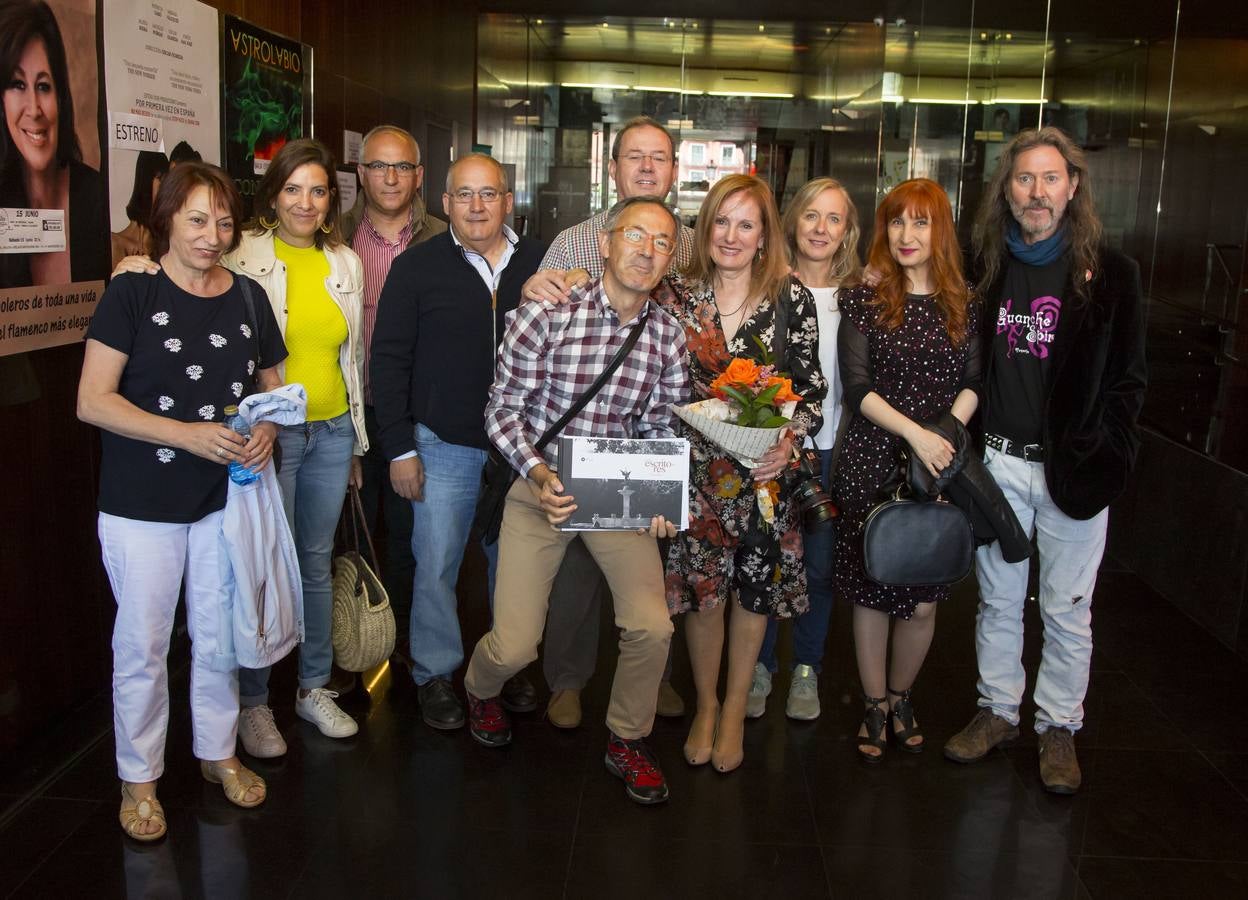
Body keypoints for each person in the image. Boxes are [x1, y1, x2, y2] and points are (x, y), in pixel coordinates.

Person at [77, 162, 286, 840]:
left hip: (224, 500)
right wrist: (186, 435)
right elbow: (92, 401)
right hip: (141, 503)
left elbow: (273, 389)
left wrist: (264, 430)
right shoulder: (132, 294)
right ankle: (139, 780)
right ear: (166, 218)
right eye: (197, 219)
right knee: (142, 644)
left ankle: (216, 754)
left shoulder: (250, 297)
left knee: (217, 635)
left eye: (224, 221)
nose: (211, 235)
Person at [463, 196, 688, 805]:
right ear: (607, 243)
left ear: (670, 259)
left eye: (661, 241)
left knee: (650, 624)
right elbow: (502, 412)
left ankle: (627, 738)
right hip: (541, 485)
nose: (646, 250)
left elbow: (661, 431)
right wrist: (537, 474)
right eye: (635, 235)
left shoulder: (667, 334)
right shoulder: (548, 312)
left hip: (615, 490)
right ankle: (480, 688)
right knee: (513, 645)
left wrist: (661, 494)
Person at [943, 127, 1147, 794]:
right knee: (998, 602)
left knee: (1065, 607)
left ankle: (1058, 726)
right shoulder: (988, 264)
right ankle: (997, 710)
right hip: (998, 465)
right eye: (1024, 179)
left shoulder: (1113, 275)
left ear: (1073, 187)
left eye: (1050, 178)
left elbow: (1128, 382)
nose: (1036, 192)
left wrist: (1108, 455)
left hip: (1072, 471)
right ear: (1009, 189)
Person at [521, 116, 694, 728]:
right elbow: (537, 321)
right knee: (575, 570)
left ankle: (654, 681)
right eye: (634, 157)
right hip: (576, 442)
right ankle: (567, 679)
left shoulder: (692, 243)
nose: (647, 168)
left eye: (660, 158)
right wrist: (537, 286)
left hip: (655, 430)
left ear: (674, 170)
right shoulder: (574, 240)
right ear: (613, 168)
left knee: (656, 564)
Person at [657, 174, 827, 773]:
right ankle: (705, 704)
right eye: (721, 222)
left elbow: (810, 394)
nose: (732, 235)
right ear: (705, 229)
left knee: (754, 591)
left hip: (763, 477)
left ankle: (734, 711)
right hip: (695, 474)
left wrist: (788, 439)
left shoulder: (791, 298)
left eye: (746, 224)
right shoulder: (675, 293)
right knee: (703, 597)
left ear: (764, 236)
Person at [370, 152, 543, 731]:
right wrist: (399, 447)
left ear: (507, 201)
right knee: (436, 565)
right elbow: (388, 362)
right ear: (444, 205)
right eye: (463, 195)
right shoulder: (416, 269)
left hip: (519, 452)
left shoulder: (539, 265)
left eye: (488, 194)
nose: (476, 205)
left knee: (513, 568)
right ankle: (435, 673)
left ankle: (504, 665)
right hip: (442, 444)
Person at [222, 139, 367, 755]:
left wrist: (357, 442)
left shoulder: (344, 260)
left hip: (332, 429)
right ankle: (254, 703)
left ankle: (312, 688)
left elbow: (350, 358)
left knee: (312, 562)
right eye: (292, 189)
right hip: (270, 436)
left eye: (317, 190)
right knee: (261, 563)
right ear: (273, 195)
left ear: (331, 198)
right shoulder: (241, 252)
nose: (305, 203)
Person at [834, 178, 981, 763]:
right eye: (896, 222)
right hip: (875, 455)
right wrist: (917, 434)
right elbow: (857, 387)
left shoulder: (963, 300)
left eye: (920, 223)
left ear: (939, 230)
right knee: (873, 588)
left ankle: (901, 697)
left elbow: (974, 381)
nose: (906, 235)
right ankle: (873, 703)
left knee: (923, 596)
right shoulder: (865, 298)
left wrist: (943, 435)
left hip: (940, 462)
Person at [749, 176, 861, 721]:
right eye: (812, 215)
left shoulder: (863, 294)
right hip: (775, 447)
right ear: (793, 220)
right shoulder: (768, 287)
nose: (820, 228)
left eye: (833, 218)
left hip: (835, 449)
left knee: (819, 567)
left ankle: (806, 669)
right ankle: (760, 665)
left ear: (847, 231)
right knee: (769, 560)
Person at [343, 125, 446, 660]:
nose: (390, 177)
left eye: (402, 167)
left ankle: (403, 645)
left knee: (412, 534)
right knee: (351, 532)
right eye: (378, 166)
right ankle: (351, 642)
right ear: (360, 173)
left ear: (419, 176)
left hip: (414, 413)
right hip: (346, 409)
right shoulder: (328, 234)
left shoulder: (445, 240)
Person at [0, 0, 108, 288]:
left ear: (61, 97)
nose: (34, 109)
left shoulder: (97, 194)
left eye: (44, 86)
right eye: (17, 85)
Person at [111, 151, 169, 267]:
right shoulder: (115, 243)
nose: (166, 191)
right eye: (161, 180)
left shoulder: (165, 245)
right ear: (145, 182)